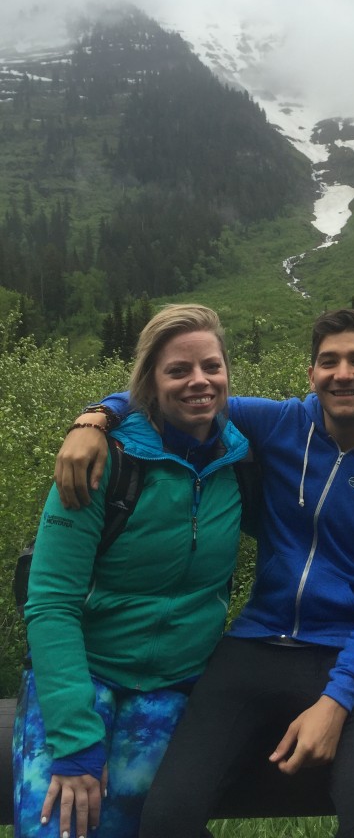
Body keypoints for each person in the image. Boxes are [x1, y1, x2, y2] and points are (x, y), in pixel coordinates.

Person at [54, 308, 354, 838]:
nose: (343, 373)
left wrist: (337, 699)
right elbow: (186, 396)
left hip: (353, 658)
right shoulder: (280, 423)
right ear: (311, 375)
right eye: (329, 361)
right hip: (256, 644)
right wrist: (95, 417)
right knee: (166, 821)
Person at [13, 304, 251, 838]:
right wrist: (75, 744)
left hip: (176, 684)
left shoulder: (241, 458)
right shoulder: (101, 462)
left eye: (211, 367)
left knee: (137, 826)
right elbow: (50, 601)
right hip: (86, 673)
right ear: (150, 380)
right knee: (61, 826)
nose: (199, 382)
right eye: (178, 370)